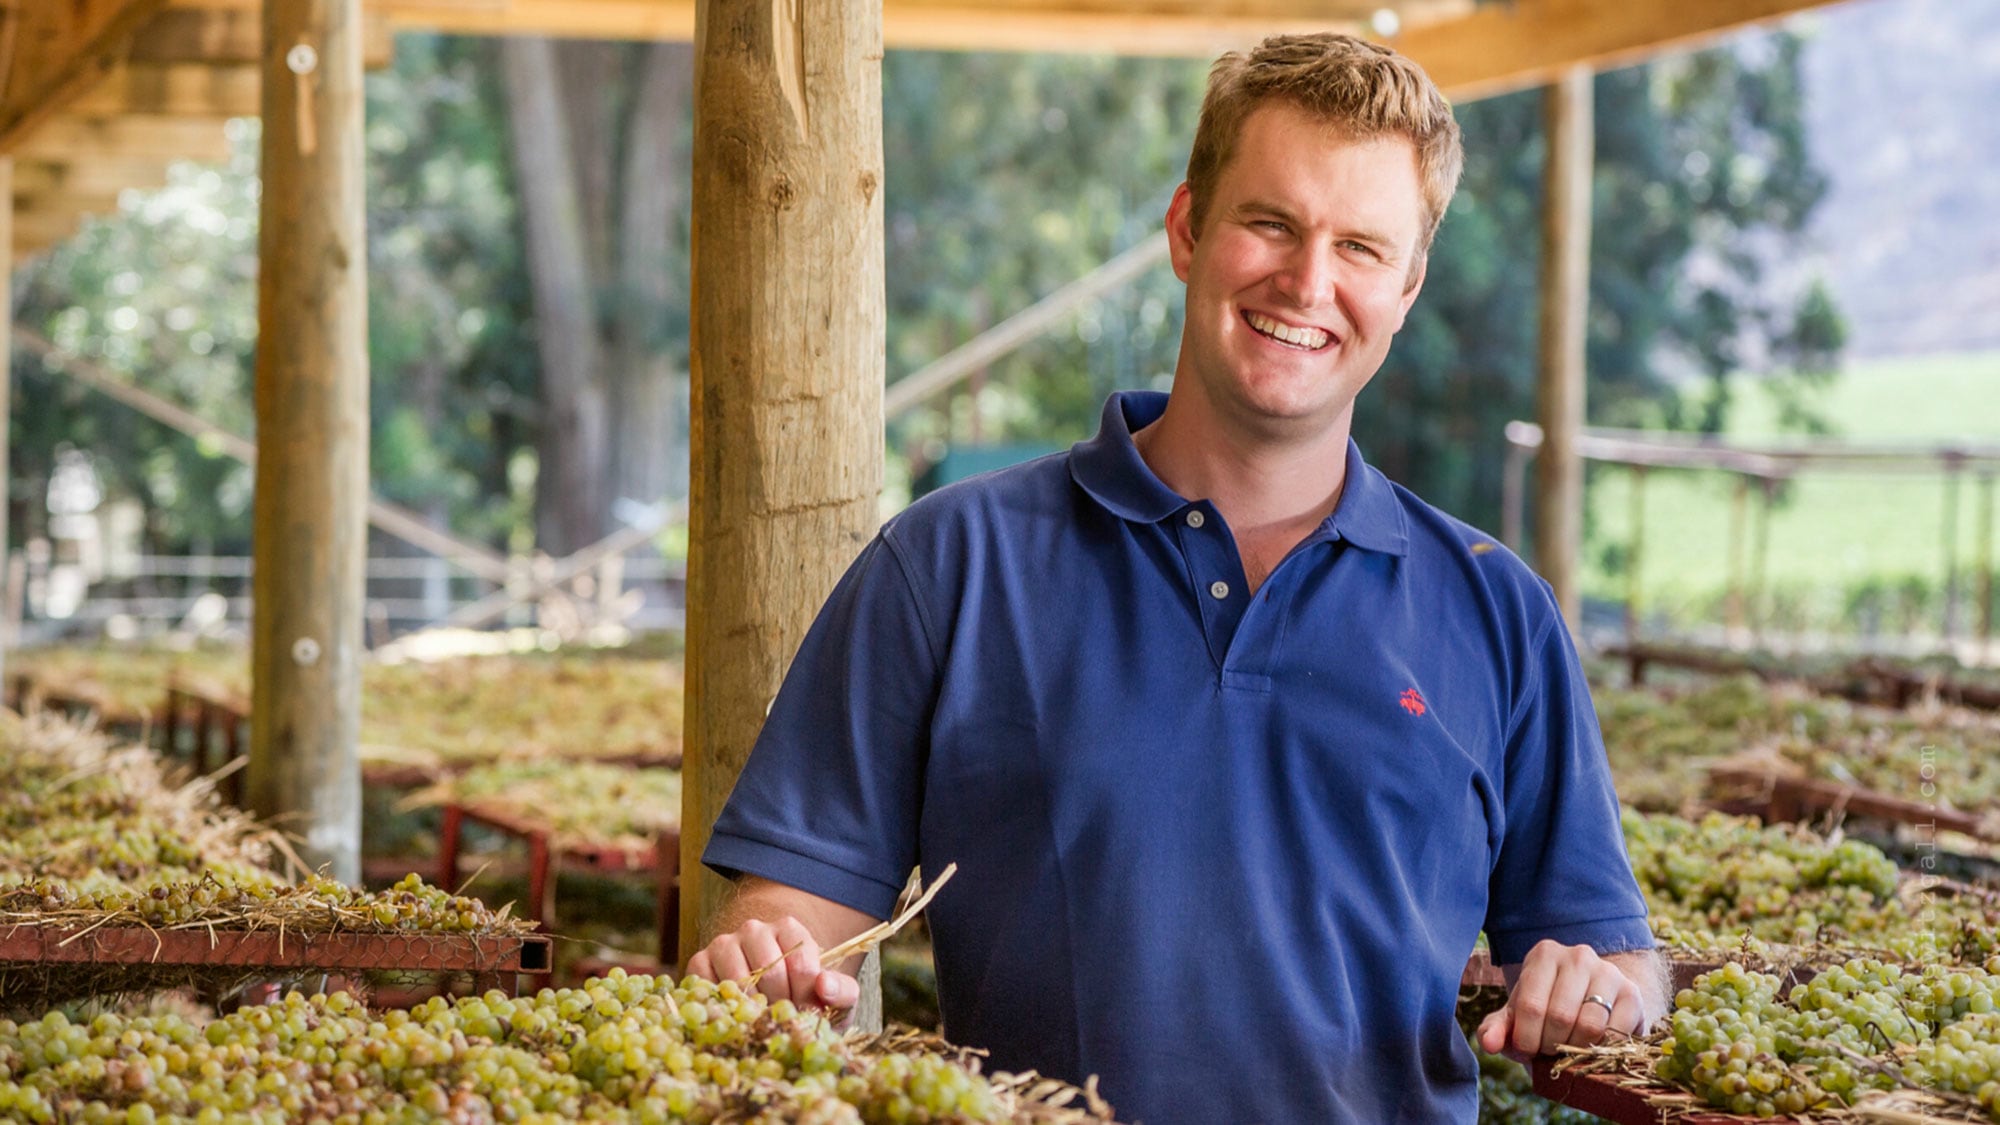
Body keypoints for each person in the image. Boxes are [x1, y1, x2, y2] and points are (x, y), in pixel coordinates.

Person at [689, 31, 1668, 1124]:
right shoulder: (947, 566)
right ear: (1187, 229)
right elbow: (787, 918)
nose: (1307, 282)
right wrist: (761, 961)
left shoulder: (1497, 611)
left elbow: (1619, 965)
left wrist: (1608, 994)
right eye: (1270, 223)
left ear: (1407, 287)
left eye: (1358, 247)